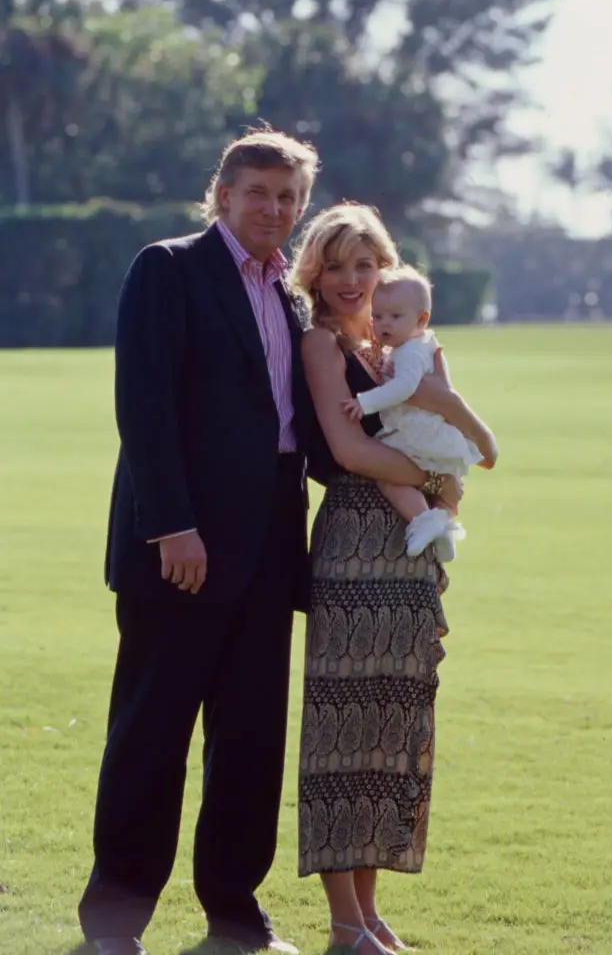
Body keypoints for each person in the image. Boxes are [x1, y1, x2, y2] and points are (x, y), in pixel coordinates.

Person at [78, 127, 323, 955]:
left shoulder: (292, 292)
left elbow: (302, 424)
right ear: (222, 195)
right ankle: (114, 923)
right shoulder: (169, 268)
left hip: (270, 549)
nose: (274, 208)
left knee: (250, 741)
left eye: (288, 197)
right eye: (258, 192)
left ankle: (235, 914)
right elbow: (143, 407)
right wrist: (172, 527)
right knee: (150, 739)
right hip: (179, 549)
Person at [290, 203, 498, 955]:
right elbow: (350, 451)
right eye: (336, 266)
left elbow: (445, 421)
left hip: (407, 546)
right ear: (314, 273)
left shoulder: (394, 343)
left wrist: (448, 463)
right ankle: (344, 922)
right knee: (341, 733)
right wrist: (438, 480)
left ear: (387, 270)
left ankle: (370, 914)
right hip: (354, 541)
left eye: (365, 265)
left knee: (388, 729)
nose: (352, 281)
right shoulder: (321, 344)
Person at [341, 263, 485, 561]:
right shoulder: (413, 346)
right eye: (378, 316)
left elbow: (404, 387)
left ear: (421, 319)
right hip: (425, 430)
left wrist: (365, 402)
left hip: (415, 431)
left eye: (395, 317)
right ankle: (441, 525)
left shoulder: (411, 352)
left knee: (388, 477)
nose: (384, 324)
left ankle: (423, 519)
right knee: (442, 488)